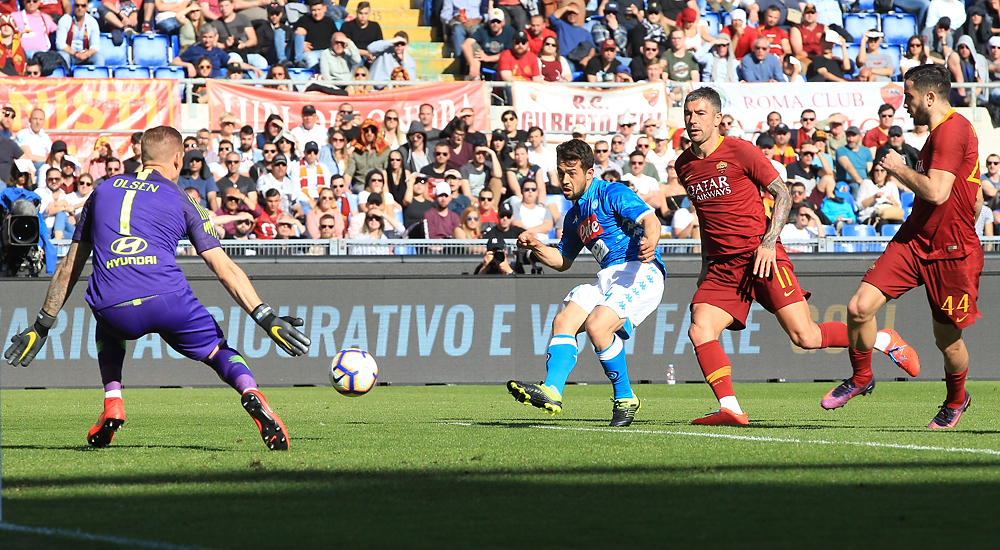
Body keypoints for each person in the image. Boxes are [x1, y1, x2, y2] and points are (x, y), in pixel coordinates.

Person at [4, 126, 310, 451]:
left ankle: (113, 400)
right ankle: (251, 393)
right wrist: (266, 317)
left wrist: (42, 326)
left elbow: (69, 266)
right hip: (168, 299)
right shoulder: (185, 201)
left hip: (113, 303)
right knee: (219, 351)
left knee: (107, 327)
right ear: (178, 160)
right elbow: (224, 268)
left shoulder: (102, 191)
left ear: (140, 156)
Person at [673, 87, 914, 426]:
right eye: (688, 113)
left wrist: (769, 242)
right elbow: (705, 217)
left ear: (717, 119)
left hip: (762, 256)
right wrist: (705, 265)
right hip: (722, 268)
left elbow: (782, 194)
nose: (692, 120)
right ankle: (731, 408)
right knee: (700, 329)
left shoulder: (740, 151)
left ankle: (884, 339)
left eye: (700, 114)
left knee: (807, 337)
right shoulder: (684, 165)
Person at [829, 65, 981, 430]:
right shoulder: (940, 134)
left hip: (950, 252)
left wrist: (899, 167)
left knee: (948, 342)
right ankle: (862, 376)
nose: (905, 106)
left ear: (929, 97)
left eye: (909, 97)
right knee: (859, 307)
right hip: (915, 240)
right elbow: (969, 198)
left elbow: (937, 191)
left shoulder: (952, 131)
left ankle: (957, 398)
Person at [506, 138, 665, 427]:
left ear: (589, 173)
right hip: (609, 277)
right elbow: (562, 261)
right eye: (560, 173)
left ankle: (625, 397)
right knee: (564, 320)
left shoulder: (612, 192)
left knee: (596, 326)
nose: (564, 180)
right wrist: (536, 246)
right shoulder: (574, 215)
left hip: (641, 270)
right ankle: (552, 390)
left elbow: (651, 220)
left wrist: (650, 242)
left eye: (572, 173)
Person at [462, 8, 513, 80]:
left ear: (503, 22)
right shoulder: (483, 30)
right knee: (473, 46)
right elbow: (466, 44)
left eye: (498, 21)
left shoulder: (510, 31)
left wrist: (488, 58)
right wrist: (472, 64)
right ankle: (475, 78)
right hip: (482, 61)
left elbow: (509, 53)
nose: (495, 24)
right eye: (493, 21)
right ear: (489, 22)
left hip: (500, 62)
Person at [56, 0, 103, 69]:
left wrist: (88, 53)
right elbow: (60, 44)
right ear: (73, 6)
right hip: (69, 53)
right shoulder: (64, 20)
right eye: (77, 5)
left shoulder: (92, 22)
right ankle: (66, 77)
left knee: (99, 58)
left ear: (87, 7)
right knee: (63, 56)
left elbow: (96, 45)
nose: (80, 8)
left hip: (85, 54)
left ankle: (97, 78)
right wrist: (74, 54)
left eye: (83, 6)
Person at [345, 119, 389, 192]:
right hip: (361, 184)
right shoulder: (355, 151)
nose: (369, 133)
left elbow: (385, 172)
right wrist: (345, 188)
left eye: (373, 130)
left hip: (379, 184)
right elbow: (349, 172)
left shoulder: (384, 150)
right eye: (366, 130)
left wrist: (386, 192)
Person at [292, 0, 334, 69]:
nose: (316, 13)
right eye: (314, 10)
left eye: (319, 9)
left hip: (326, 52)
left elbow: (335, 37)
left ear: (324, 9)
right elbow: (294, 35)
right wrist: (301, 43)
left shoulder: (329, 21)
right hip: (309, 53)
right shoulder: (303, 20)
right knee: (311, 59)